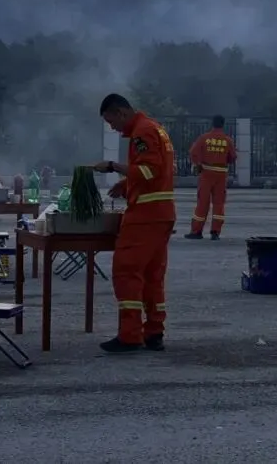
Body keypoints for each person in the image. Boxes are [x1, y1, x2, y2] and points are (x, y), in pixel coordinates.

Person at [93, 93, 176, 353]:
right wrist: (127, 183)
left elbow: (149, 171)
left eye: (112, 121)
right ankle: (154, 332)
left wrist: (113, 166)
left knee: (127, 271)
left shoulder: (143, 132)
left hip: (145, 215)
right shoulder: (155, 129)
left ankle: (129, 336)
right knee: (152, 275)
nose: (113, 128)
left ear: (121, 112)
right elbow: (156, 171)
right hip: (161, 212)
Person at [186, 115, 237, 240]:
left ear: (212, 124)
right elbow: (233, 157)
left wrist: (198, 164)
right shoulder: (227, 140)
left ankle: (197, 231)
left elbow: (193, 152)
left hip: (206, 173)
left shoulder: (204, 138)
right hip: (221, 174)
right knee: (219, 203)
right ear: (223, 125)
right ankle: (215, 232)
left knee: (203, 202)